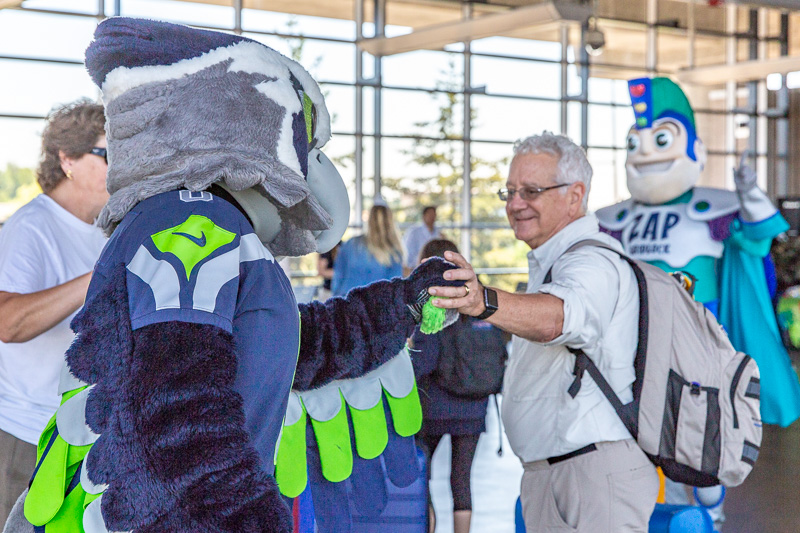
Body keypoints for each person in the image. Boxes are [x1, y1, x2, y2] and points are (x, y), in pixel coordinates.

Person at [428, 131, 659, 533]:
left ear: (575, 195)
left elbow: (558, 317)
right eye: (510, 191)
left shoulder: (593, 263)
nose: (516, 204)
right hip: (558, 474)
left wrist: (484, 301)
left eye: (532, 191)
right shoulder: (557, 262)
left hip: (590, 476)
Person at [595, 77, 800, 529]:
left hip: (696, 349)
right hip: (631, 347)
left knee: (697, 438)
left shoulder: (713, 208)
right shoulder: (616, 218)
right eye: (637, 140)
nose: (647, 151)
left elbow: (762, 233)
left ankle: (710, 515)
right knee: (633, 441)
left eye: (661, 137)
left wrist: (748, 190)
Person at [0, 99, 108, 523]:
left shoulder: (107, 229)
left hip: (81, 436)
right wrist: (95, 278)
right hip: (26, 436)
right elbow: (8, 322)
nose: (118, 167)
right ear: (68, 159)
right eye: (106, 154)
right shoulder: (31, 228)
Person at [411, 238, 500, 533]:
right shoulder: (479, 297)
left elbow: (424, 361)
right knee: (461, 479)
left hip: (434, 407)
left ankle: (428, 528)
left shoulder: (434, 300)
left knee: (422, 477)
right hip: (474, 407)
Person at [332, 202, 404, 297]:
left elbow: (338, 277)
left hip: (346, 303)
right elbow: (394, 289)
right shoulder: (394, 252)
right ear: (390, 221)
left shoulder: (350, 243)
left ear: (369, 220)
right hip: (377, 306)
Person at [403, 205, 441, 275]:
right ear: (423, 216)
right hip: (417, 269)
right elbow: (408, 255)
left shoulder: (439, 233)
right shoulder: (413, 232)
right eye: (429, 214)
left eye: (434, 214)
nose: (432, 217)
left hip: (435, 270)